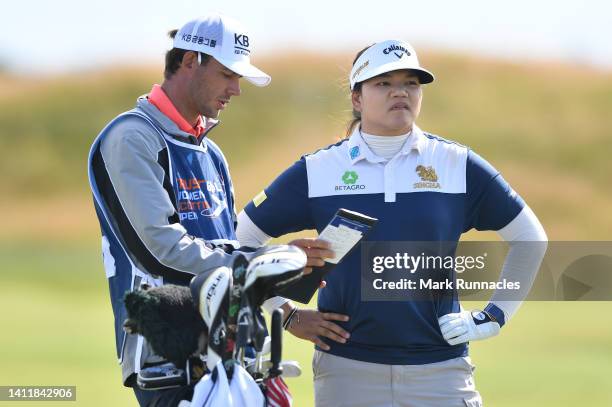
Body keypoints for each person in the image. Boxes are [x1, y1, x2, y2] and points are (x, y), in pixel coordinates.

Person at [236, 40, 548, 406]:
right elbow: (242, 237)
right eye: (383, 83)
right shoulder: (318, 170)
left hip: (442, 372)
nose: (400, 91)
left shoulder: (456, 164)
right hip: (347, 372)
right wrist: (285, 314)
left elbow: (530, 239)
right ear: (357, 98)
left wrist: (492, 317)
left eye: (411, 83)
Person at [88, 13, 331, 406]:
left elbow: (226, 250)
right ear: (188, 61)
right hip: (168, 358)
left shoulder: (210, 152)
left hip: (235, 353)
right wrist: (272, 259)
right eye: (227, 75)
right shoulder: (131, 137)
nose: (236, 89)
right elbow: (162, 250)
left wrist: (284, 305)